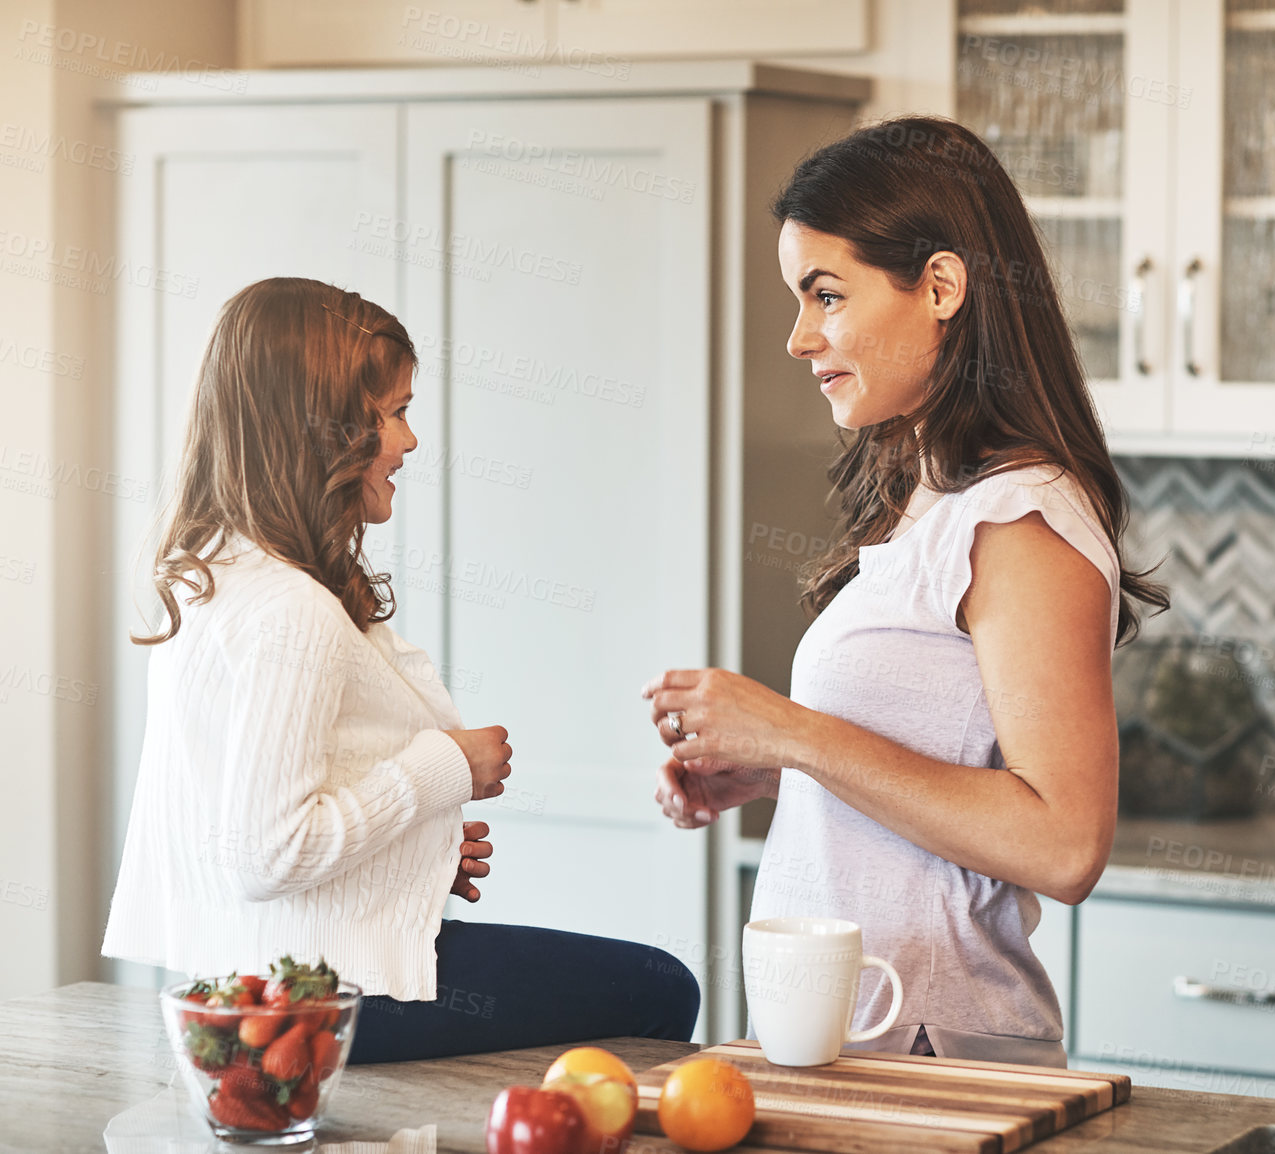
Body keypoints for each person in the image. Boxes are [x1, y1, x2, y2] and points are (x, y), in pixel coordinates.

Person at [642, 117, 1168, 1067]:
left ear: (941, 286)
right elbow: (937, 764)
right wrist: (780, 770)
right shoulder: (934, 500)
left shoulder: (1020, 517)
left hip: (931, 1040)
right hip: (869, 1034)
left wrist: (797, 733)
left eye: (827, 296)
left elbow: (1064, 842)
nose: (801, 338)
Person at [103, 277, 699, 1062]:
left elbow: (251, 816)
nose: (410, 442)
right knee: (661, 989)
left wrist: (411, 858)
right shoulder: (293, 611)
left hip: (242, 988)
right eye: (395, 413)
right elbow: (265, 853)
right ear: (323, 428)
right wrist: (445, 766)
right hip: (327, 1000)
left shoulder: (219, 580)